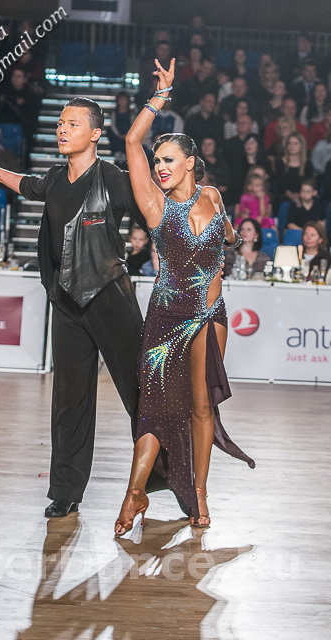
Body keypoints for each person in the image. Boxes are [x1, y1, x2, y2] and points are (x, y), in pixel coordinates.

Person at [0, 97, 150, 519]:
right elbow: (29, 185)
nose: (62, 129)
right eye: (60, 123)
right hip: (67, 302)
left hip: (110, 298)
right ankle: (66, 491)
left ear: (96, 133)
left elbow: (154, 216)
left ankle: (174, 478)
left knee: (141, 395)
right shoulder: (53, 178)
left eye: (73, 124)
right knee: (70, 401)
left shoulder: (114, 178)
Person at [114, 58, 254, 536]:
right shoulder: (154, 203)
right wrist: (160, 97)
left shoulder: (212, 196)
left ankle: (199, 494)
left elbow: (229, 233)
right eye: (157, 162)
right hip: (166, 316)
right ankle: (135, 492)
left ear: (190, 163)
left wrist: (229, 242)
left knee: (201, 407)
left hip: (211, 313)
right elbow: (131, 141)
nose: (160, 167)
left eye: (168, 160)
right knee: (155, 407)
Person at [106, 91, 135, 165]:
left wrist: (127, 133)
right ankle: (117, 157)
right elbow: (113, 124)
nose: (122, 102)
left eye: (124, 100)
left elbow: (133, 124)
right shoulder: (114, 112)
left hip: (127, 132)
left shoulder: (131, 112)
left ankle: (125, 158)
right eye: (120, 100)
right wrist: (118, 134)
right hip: (116, 134)